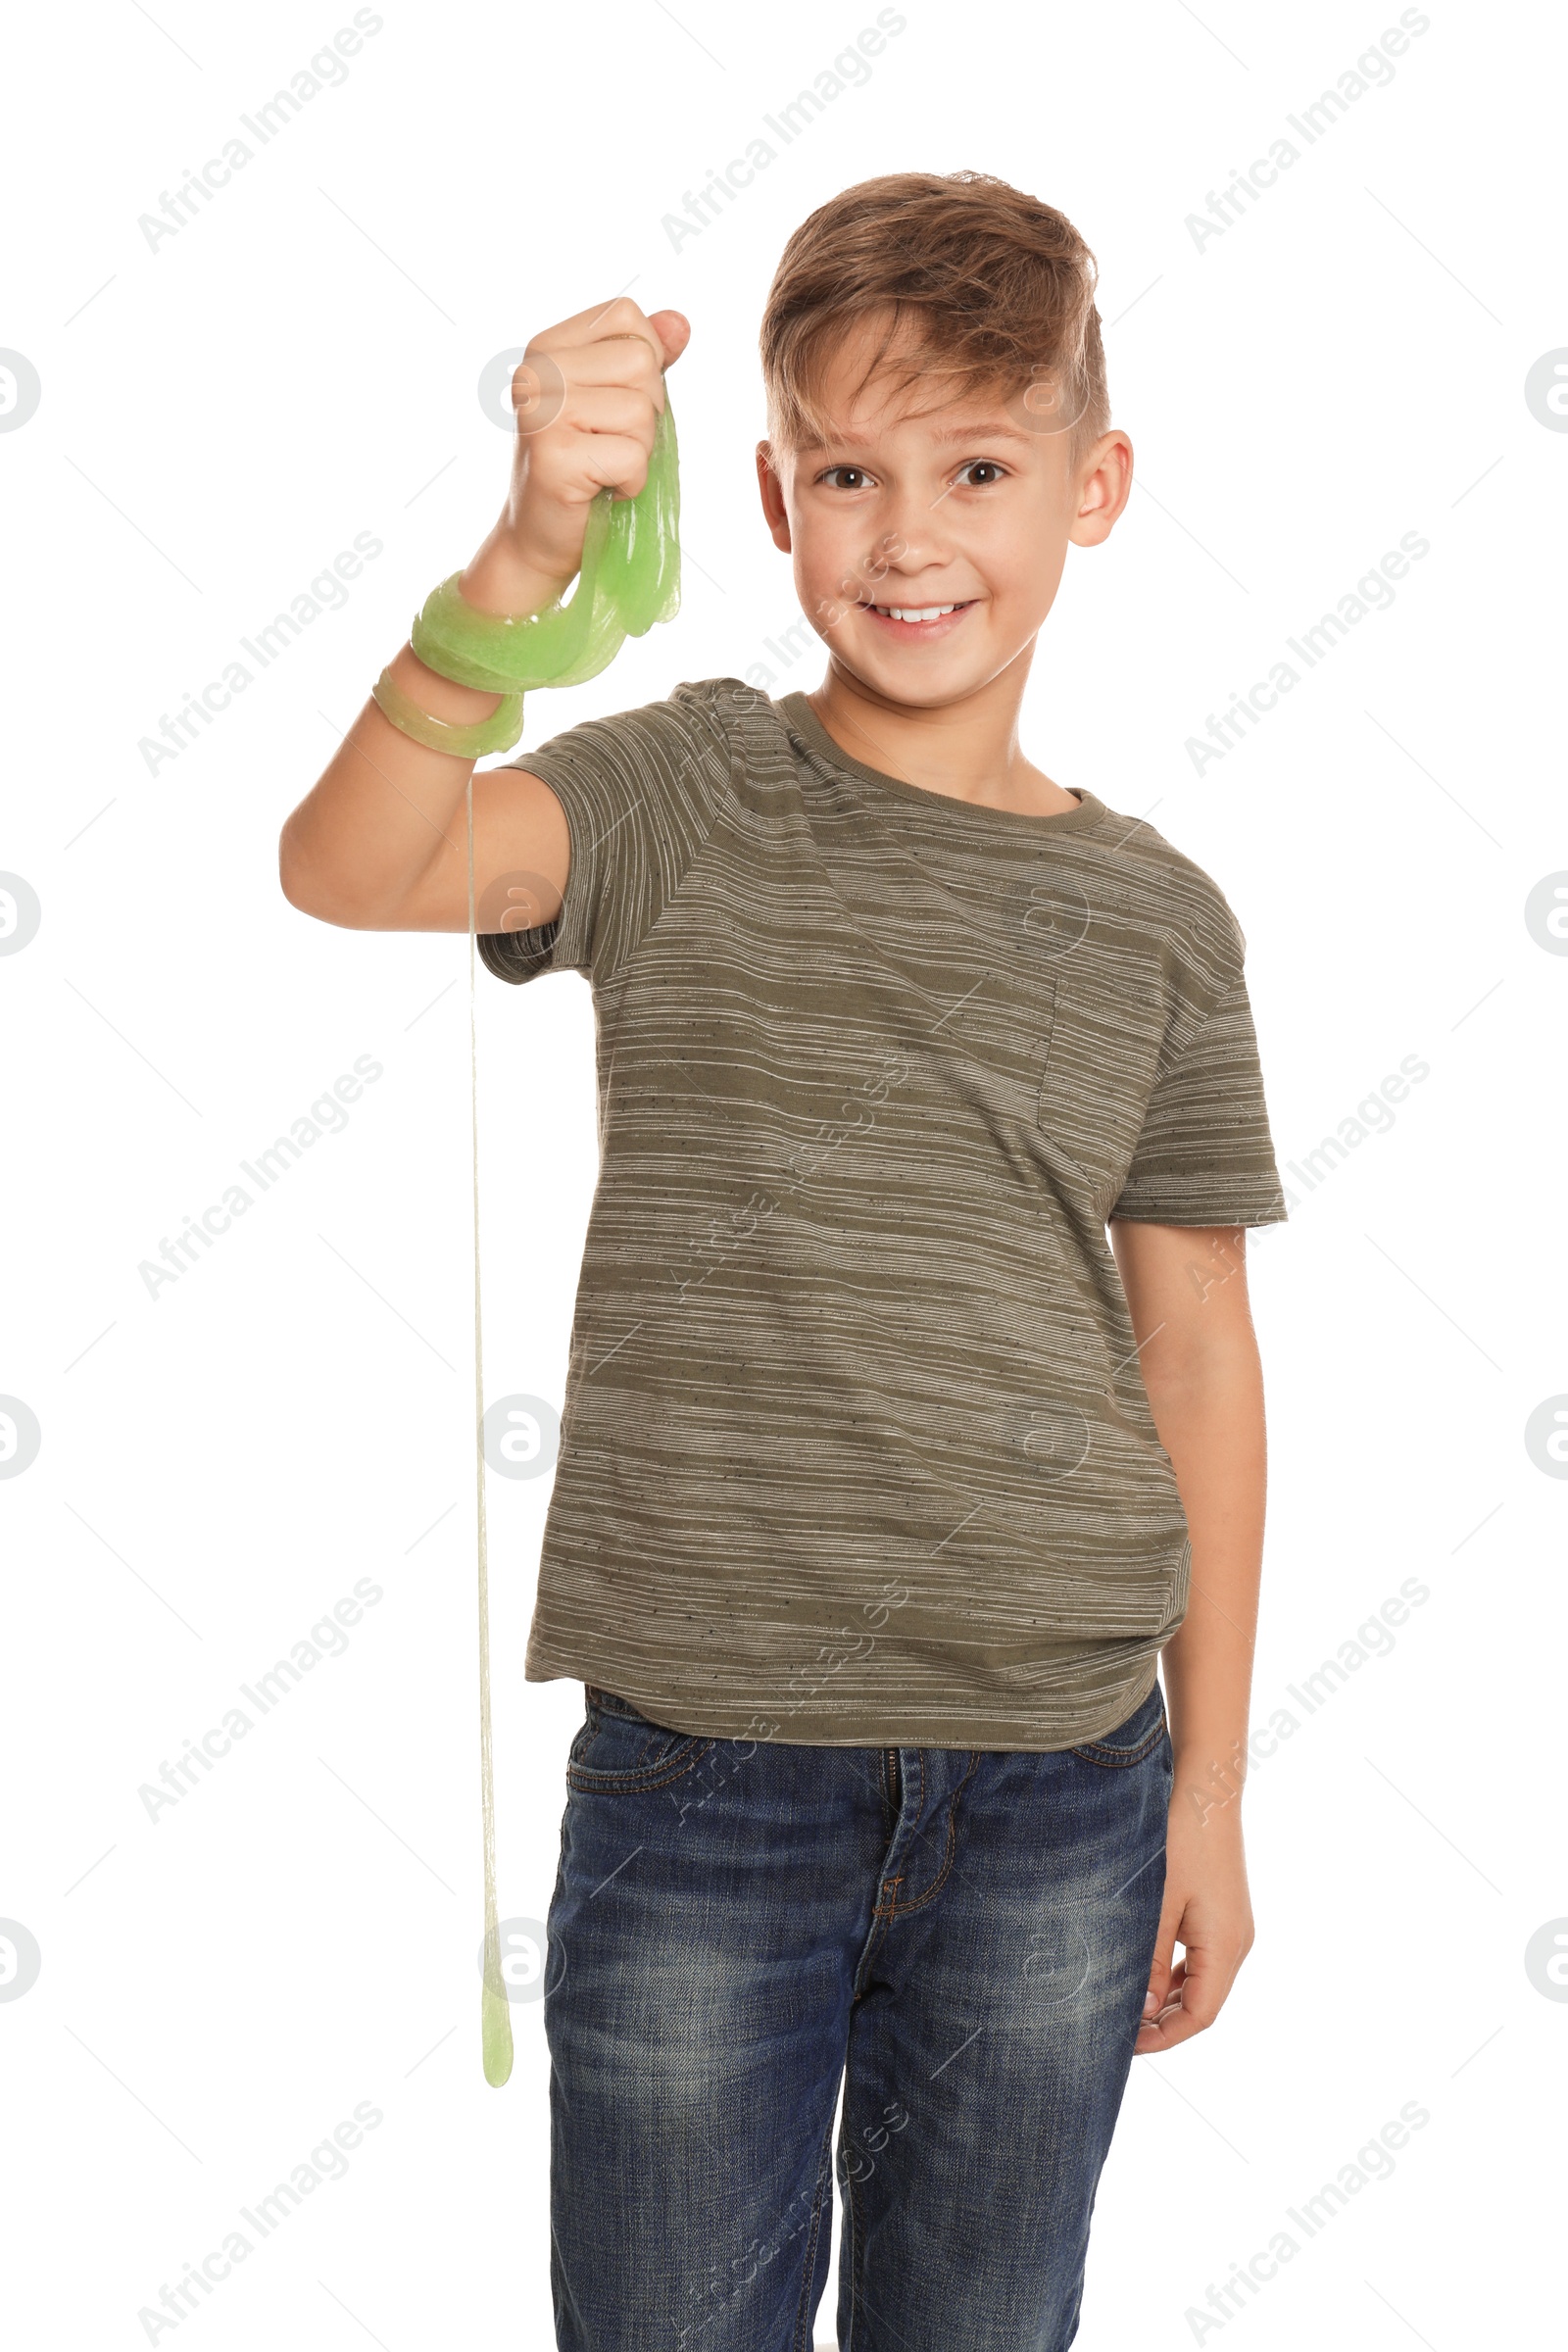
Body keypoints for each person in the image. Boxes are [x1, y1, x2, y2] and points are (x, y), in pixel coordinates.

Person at [278, 169, 1287, 2352]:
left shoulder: (1157, 918)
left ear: (1092, 487)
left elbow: (1193, 1351)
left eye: (977, 467)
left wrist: (1203, 1783)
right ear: (765, 496)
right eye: (847, 470)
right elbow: (350, 864)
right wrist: (519, 568)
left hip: (1056, 1782)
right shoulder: (682, 796)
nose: (909, 534)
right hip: (705, 1774)